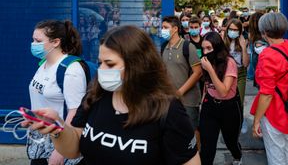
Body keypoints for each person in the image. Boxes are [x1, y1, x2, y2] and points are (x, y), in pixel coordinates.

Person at [24, 26, 201, 165]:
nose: (101, 70)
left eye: (110, 64)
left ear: (137, 65)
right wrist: (58, 129)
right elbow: (74, 149)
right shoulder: (95, 96)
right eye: (100, 63)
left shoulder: (168, 109)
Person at [28, 20, 87, 165]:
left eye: (38, 41)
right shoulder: (44, 63)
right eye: (33, 40)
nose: (33, 44)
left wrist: (60, 152)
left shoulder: (71, 70)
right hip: (40, 141)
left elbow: (75, 112)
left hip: (60, 141)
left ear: (55, 42)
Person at [250, 12, 288, 165]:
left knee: (276, 157)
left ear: (265, 32)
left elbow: (266, 93)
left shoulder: (267, 55)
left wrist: (256, 121)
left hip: (275, 111)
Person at [199, 32, 243, 165]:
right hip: (210, 105)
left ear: (217, 48)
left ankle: (237, 156)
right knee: (207, 145)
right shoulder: (207, 61)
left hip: (229, 107)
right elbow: (206, 84)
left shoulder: (229, 63)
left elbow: (224, 91)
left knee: (230, 141)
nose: (205, 52)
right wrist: (203, 101)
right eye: (203, 48)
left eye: (209, 48)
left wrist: (210, 70)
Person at [161, 16, 202, 133]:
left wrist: (180, 92)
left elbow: (198, 73)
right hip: (169, 100)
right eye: (162, 27)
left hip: (188, 100)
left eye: (165, 27)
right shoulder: (164, 47)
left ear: (174, 29)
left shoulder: (188, 47)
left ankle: (197, 151)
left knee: (191, 131)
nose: (162, 30)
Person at [223, 19, 249, 133]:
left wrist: (243, 47)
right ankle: (227, 123)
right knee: (226, 100)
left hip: (240, 73)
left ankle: (241, 121)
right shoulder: (223, 40)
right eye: (231, 29)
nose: (233, 32)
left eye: (235, 30)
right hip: (226, 73)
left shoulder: (243, 41)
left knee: (239, 101)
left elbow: (246, 63)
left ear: (240, 31)